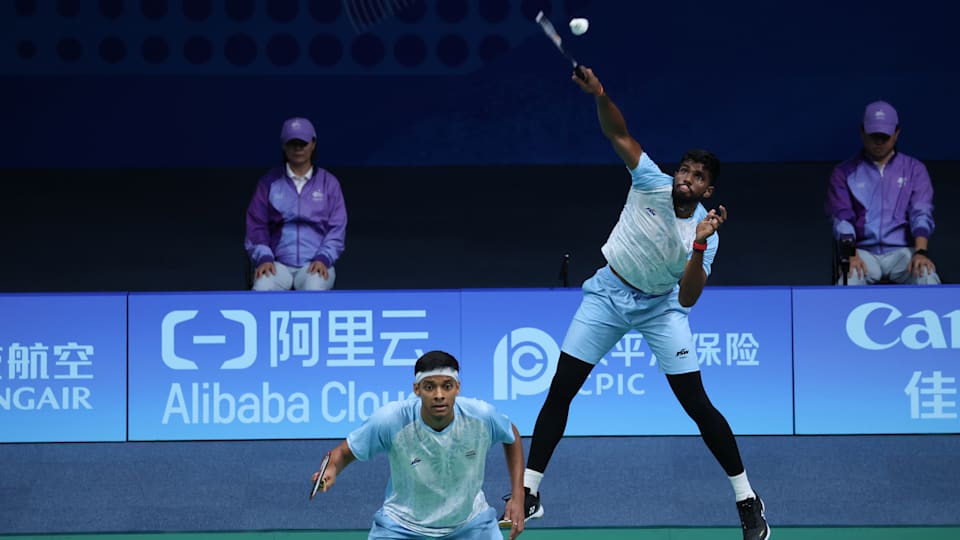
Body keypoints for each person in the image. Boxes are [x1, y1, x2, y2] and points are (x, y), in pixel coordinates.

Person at [499, 67, 770, 540]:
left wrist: (701, 245)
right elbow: (618, 131)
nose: (686, 179)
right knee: (561, 390)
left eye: (698, 177)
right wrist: (600, 94)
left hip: (662, 307)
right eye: (684, 170)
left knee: (698, 405)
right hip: (608, 294)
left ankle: (747, 498)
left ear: (708, 190)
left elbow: (686, 297)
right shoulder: (649, 181)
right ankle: (531, 492)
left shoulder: (705, 229)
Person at [309, 350, 528, 540]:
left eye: (447, 386)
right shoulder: (391, 420)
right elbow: (344, 452)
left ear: (457, 388)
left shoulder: (481, 416)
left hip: (469, 523)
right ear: (417, 389)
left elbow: (511, 434)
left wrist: (518, 495)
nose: (439, 395)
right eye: (430, 387)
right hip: (402, 526)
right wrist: (331, 469)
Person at [825, 100, 940, 285]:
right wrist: (851, 254)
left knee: (926, 274)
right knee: (850, 278)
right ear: (862, 132)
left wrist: (920, 252)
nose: (878, 142)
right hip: (863, 252)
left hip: (903, 252)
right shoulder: (843, 172)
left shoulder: (914, 169)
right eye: (873, 135)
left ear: (896, 133)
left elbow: (921, 212)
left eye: (884, 136)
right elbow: (842, 219)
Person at [244, 117, 347, 291]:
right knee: (262, 287)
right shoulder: (269, 182)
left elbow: (337, 228)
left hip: (314, 264)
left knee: (314, 287)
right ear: (284, 146)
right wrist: (264, 258)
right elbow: (256, 226)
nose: (298, 148)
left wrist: (323, 258)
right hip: (277, 264)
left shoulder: (328, 183)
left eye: (303, 143)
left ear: (313, 144)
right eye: (292, 143)